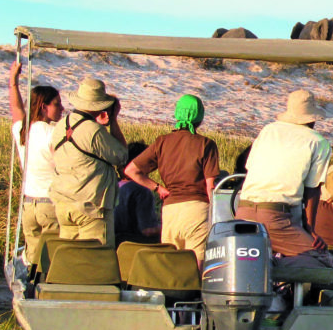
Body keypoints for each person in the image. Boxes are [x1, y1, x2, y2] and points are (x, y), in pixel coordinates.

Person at [235, 90, 333, 270]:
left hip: (243, 212)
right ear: (312, 118)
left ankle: (263, 267)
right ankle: (271, 268)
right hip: (277, 217)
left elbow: (249, 168)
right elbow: (313, 190)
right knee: (324, 261)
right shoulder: (318, 141)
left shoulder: (268, 130)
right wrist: (310, 229)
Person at [125, 95, 219, 264]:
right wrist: (216, 217)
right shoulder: (206, 144)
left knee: (171, 264)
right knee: (195, 265)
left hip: (170, 210)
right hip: (197, 210)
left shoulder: (162, 142)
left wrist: (158, 188)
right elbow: (210, 186)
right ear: (200, 117)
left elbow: (132, 170)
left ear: (177, 113)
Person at [49, 77, 127, 245]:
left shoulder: (61, 125)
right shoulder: (94, 131)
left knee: (72, 260)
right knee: (96, 262)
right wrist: (113, 121)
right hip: (90, 208)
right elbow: (121, 156)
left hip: (64, 203)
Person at [7, 61, 63, 267]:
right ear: (43, 106)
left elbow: (15, 107)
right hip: (50, 203)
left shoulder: (23, 129)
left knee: (32, 257)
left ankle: (30, 289)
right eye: (57, 104)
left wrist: (13, 82)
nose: (62, 108)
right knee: (52, 258)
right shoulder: (52, 132)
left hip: (29, 204)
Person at [114, 141, 161, 245]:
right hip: (130, 246)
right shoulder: (141, 191)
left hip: (112, 243)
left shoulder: (112, 184)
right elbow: (148, 230)